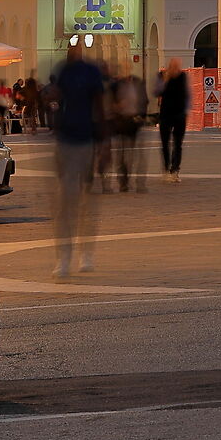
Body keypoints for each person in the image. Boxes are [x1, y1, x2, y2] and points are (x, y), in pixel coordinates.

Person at [50, 47, 107, 277]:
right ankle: (64, 258)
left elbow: (100, 106)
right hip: (66, 141)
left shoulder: (90, 73)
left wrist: (104, 143)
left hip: (87, 140)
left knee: (86, 200)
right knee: (65, 202)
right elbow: (57, 100)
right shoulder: (63, 71)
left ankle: (85, 253)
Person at [105, 64, 147, 191]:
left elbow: (144, 100)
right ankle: (123, 181)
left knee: (132, 153)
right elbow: (109, 103)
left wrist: (141, 115)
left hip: (133, 122)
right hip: (120, 122)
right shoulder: (115, 85)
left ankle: (133, 179)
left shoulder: (137, 82)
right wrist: (117, 106)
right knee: (121, 154)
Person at [157, 58, 190, 182]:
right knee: (165, 143)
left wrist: (187, 109)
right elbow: (156, 92)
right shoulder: (162, 76)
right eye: (174, 65)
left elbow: (186, 94)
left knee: (178, 144)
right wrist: (165, 81)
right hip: (165, 114)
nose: (177, 68)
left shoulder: (183, 77)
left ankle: (175, 170)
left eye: (178, 65)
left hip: (180, 114)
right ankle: (166, 168)